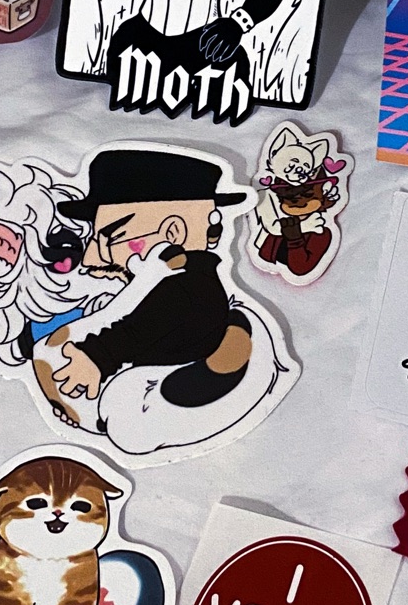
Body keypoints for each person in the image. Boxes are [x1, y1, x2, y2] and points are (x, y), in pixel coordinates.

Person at [47, 150, 254, 413]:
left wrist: (98, 357)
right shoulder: (181, 281)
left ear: (172, 233)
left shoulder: (185, 287)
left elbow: (140, 329)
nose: (89, 259)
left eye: (108, 241)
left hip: (160, 404)